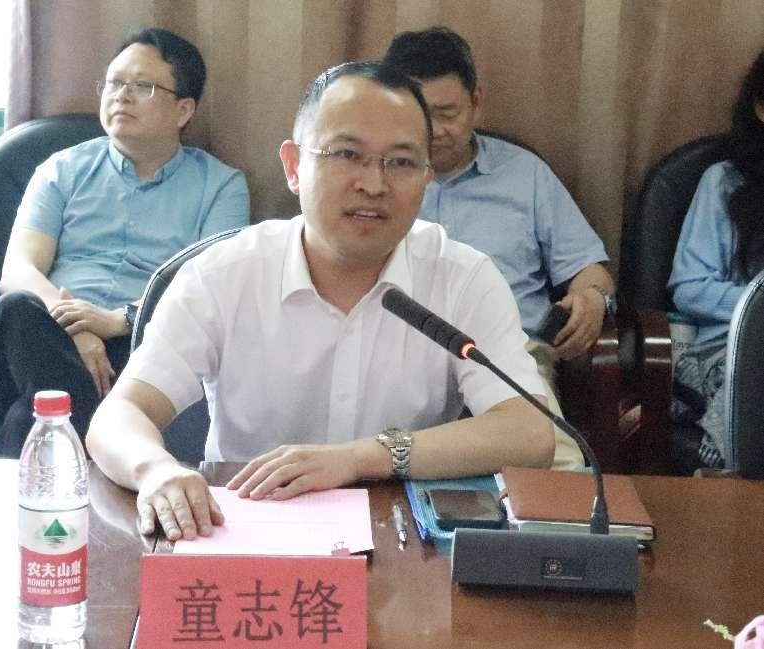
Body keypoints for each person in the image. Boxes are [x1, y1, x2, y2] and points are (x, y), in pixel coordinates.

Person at [88, 60, 555, 542]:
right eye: (347, 154)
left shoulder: (462, 277)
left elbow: (529, 432)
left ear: (426, 178)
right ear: (294, 166)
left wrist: (362, 457)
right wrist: (156, 471)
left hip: (405, 541)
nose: (374, 184)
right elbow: (119, 416)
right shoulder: (224, 274)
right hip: (247, 532)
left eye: (401, 162)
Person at [0, 28, 249, 457]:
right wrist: (76, 330)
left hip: (136, 347)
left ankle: (55, 460)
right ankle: (101, 438)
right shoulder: (61, 169)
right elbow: (18, 271)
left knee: (33, 412)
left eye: (142, 86)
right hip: (32, 333)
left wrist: (118, 320)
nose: (121, 96)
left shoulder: (221, 187)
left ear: (183, 110)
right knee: (16, 310)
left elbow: (212, 292)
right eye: (114, 83)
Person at [383, 27, 616, 469]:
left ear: (476, 102)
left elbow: (589, 267)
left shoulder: (526, 175)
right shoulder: (373, 178)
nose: (434, 131)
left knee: (562, 473)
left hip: (508, 354)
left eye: (447, 113)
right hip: (395, 354)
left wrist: (592, 297)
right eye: (419, 114)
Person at [668, 49, 764, 469]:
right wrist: (757, 309)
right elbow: (691, 288)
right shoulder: (724, 182)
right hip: (728, 349)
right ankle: (731, 486)